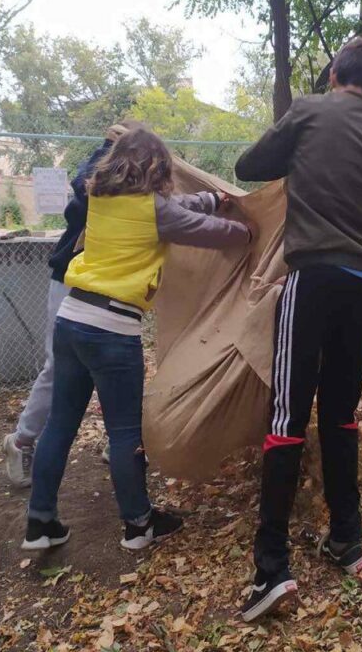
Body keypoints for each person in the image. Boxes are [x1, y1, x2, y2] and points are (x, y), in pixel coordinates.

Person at [21, 127, 253, 551]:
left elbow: (176, 207)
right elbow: (204, 229)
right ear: (155, 168)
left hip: (71, 320)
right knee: (125, 432)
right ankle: (138, 524)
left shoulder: (101, 199)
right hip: (112, 330)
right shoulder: (154, 212)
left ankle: (40, 523)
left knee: (60, 424)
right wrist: (248, 234)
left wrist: (213, 200)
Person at [233, 37, 362, 622]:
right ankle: (346, 541)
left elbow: (248, 167)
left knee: (287, 414)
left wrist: (299, 159)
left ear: (333, 75)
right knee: (342, 411)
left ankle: (270, 567)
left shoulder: (306, 110)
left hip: (315, 273)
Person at [2, 121, 144, 487]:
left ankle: (119, 443)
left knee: (115, 369)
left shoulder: (141, 189)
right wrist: (104, 148)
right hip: (71, 282)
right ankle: (21, 441)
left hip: (111, 291)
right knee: (58, 368)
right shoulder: (96, 185)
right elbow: (83, 186)